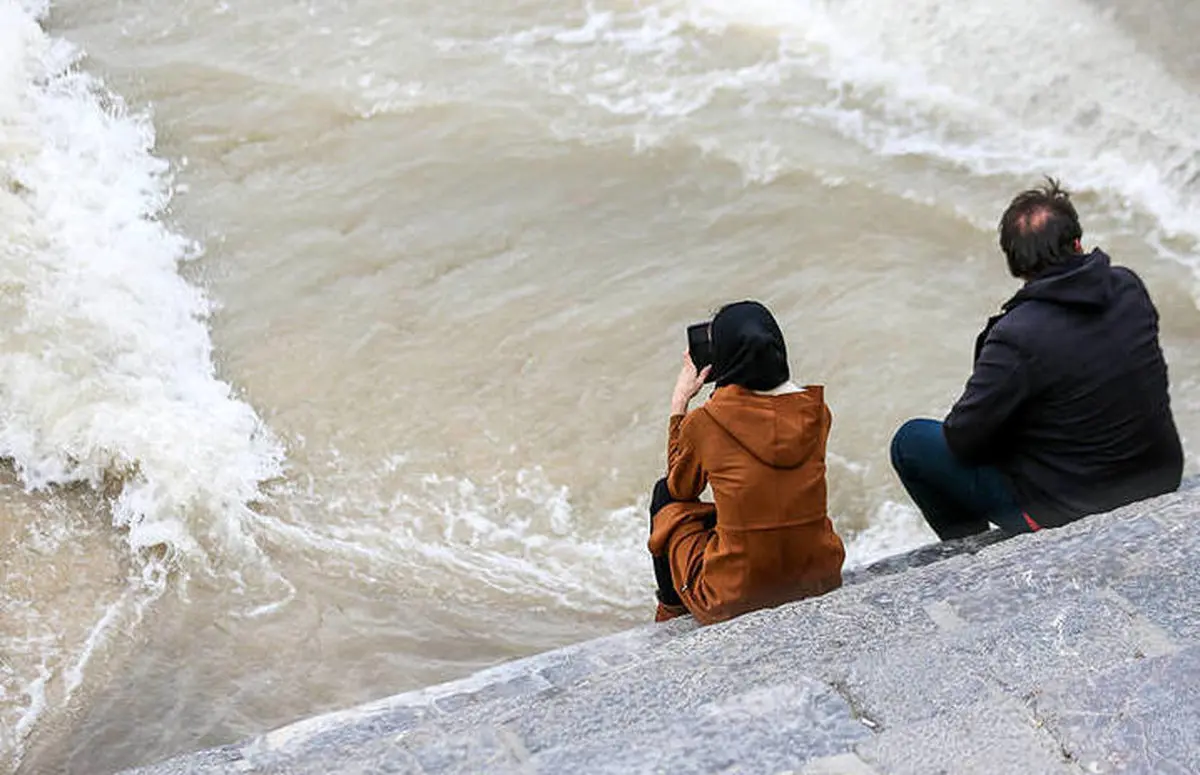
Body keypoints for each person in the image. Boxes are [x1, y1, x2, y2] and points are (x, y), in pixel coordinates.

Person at [891, 179, 1183, 541]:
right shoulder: (1127, 285)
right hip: (1160, 477)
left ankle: (969, 548)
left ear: (1016, 266)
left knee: (911, 442)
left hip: (1072, 508)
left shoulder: (1016, 336)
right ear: (1077, 243)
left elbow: (962, 440)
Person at [648, 301, 846, 624]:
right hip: (819, 578)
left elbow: (680, 488)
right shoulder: (816, 412)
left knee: (664, 498)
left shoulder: (707, 422)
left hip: (735, 596)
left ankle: (669, 614)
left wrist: (679, 402)